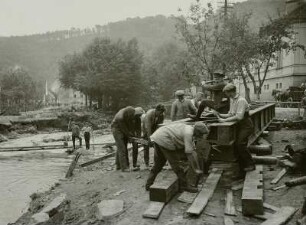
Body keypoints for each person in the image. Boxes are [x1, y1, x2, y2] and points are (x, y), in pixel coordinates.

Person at [145, 122, 209, 193]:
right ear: (198, 132)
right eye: (201, 135)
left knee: (158, 164)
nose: (201, 137)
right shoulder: (188, 133)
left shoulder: (190, 130)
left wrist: (196, 167)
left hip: (158, 136)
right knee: (176, 165)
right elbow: (189, 154)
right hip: (164, 138)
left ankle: (148, 184)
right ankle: (184, 186)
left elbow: (192, 151)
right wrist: (196, 169)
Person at [215, 83, 255, 172]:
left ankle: (251, 164)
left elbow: (239, 117)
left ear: (231, 92)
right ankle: (242, 167)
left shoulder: (241, 100)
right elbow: (231, 114)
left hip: (246, 125)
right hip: (239, 125)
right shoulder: (232, 99)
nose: (225, 95)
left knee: (240, 144)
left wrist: (224, 121)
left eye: (226, 93)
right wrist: (219, 115)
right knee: (236, 145)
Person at [111, 106, 145, 172]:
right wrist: (130, 136)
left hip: (124, 129)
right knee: (122, 148)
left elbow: (135, 128)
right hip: (117, 129)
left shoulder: (131, 114)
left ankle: (118, 165)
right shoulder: (120, 117)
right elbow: (124, 129)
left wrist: (138, 138)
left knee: (121, 147)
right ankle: (124, 167)